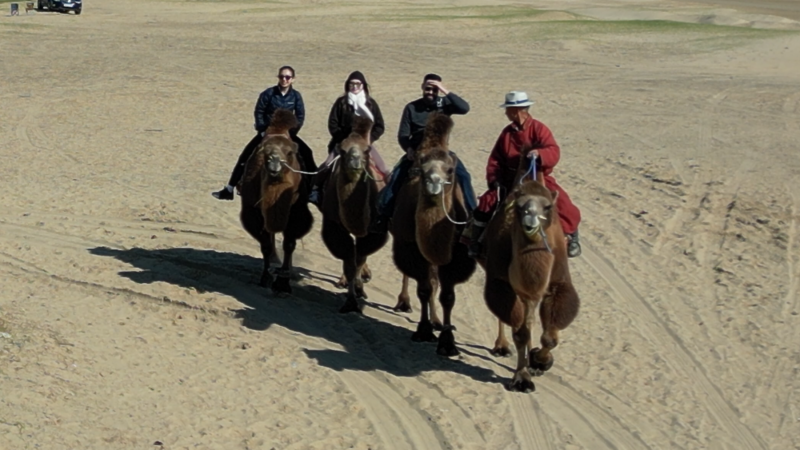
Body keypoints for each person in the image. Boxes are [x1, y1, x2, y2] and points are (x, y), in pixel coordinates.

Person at [464, 91, 582, 258]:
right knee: (487, 203)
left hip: (537, 176)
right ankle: (476, 241)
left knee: (564, 203)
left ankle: (573, 238)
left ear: (516, 110)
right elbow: (496, 159)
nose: (506, 113)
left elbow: (553, 150)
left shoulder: (539, 129)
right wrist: (494, 179)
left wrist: (540, 154)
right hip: (510, 178)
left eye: (508, 109)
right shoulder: (506, 133)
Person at [371, 73, 477, 231]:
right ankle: (383, 215)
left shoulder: (445, 104)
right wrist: (408, 149)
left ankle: (472, 215)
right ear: (422, 87)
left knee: (464, 176)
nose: (431, 92)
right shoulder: (412, 108)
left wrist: (444, 90)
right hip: (418, 151)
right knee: (396, 178)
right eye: (428, 88)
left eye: (434, 89)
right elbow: (403, 134)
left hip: (443, 152)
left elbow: (464, 108)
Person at [212, 65, 317, 200]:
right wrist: (262, 130)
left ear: (293, 79)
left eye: (287, 77)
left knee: (307, 153)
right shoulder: (268, 94)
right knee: (245, 156)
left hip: (288, 133)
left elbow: (300, 116)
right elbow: (259, 112)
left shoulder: (296, 96)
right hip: (268, 132)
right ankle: (230, 188)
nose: (284, 79)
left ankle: (313, 190)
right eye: (282, 76)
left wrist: (292, 132)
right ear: (278, 78)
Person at [309, 71, 388, 206]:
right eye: (352, 84)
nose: (355, 86)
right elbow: (333, 124)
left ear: (363, 85)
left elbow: (380, 126)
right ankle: (315, 191)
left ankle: (384, 198)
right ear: (348, 85)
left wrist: (370, 139)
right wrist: (344, 140)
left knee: (384, 169)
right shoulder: (341, 103)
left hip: (364, 145)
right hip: (343, 144)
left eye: (358, 84)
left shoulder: (371, 104)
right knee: (326, 166)